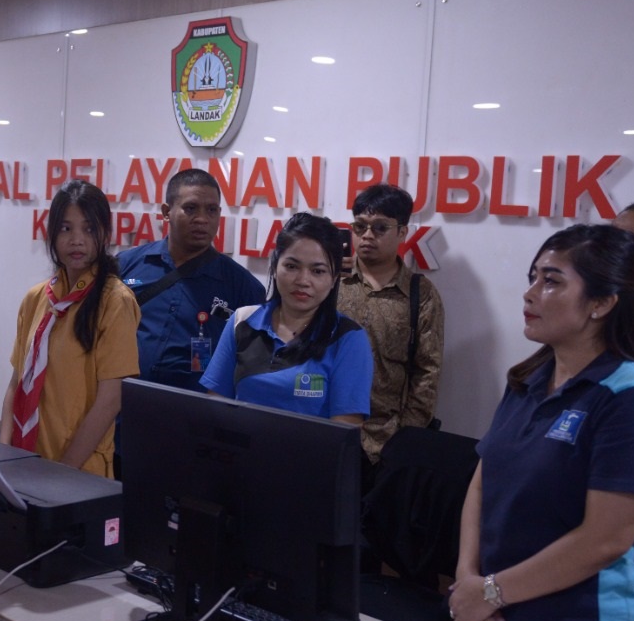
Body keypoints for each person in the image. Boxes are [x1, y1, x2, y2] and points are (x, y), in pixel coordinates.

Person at [452, 224, 634, 621]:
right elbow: (482, 484)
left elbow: (604, 540)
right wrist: (468, 580)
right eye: (534, 276)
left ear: (600, 304)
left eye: (552, 281)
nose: (531, 293)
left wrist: (490, 593)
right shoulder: (530, 378)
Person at [0, 180, 140, 477]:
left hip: (79, 470)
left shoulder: (115, 302)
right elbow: (16, 383)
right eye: (66, 229)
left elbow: (110, 399)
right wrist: (5, 453)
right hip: (24, 460)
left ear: (106, 234)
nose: (77, 240)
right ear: (51, 234)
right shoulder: (36, 298)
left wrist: (62, 474)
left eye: (89, 229)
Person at [200, 212, 373, 423]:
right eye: (291, 266)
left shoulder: (348, 338)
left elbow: (344, 431)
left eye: (317, 271)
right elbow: (215, 405)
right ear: (274, 267)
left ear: (334, 278)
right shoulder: (242, 321)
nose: (303, 280)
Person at [118, 168, 264, 392]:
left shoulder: (243, 287)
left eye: (212, 210)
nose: (202, 219)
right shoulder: (126, 265)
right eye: (191, 208)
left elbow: (248, 367)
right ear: (167, 212)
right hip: (121, 405)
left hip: (196, 416)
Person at [337, 183, 445, 480]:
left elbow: (428, 372)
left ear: (402, 232)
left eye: (380, 227)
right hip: (328, 429)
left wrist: (404, 438)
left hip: (387, 443)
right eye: (360, 226)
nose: (367, 235)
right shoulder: (331, 280)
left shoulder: (420, 294)